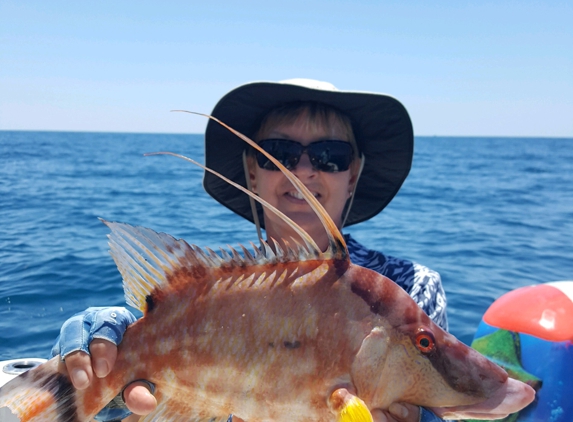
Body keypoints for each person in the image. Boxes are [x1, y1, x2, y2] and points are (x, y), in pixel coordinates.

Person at [52, 79, 448, 422]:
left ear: (354, 173)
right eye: (278, 152)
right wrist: (101, 369)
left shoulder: (414, 288)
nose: (303, 170)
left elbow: (444, 396)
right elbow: (148, 402)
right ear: (252, 172)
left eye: (331, 156)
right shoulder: (198, 296)